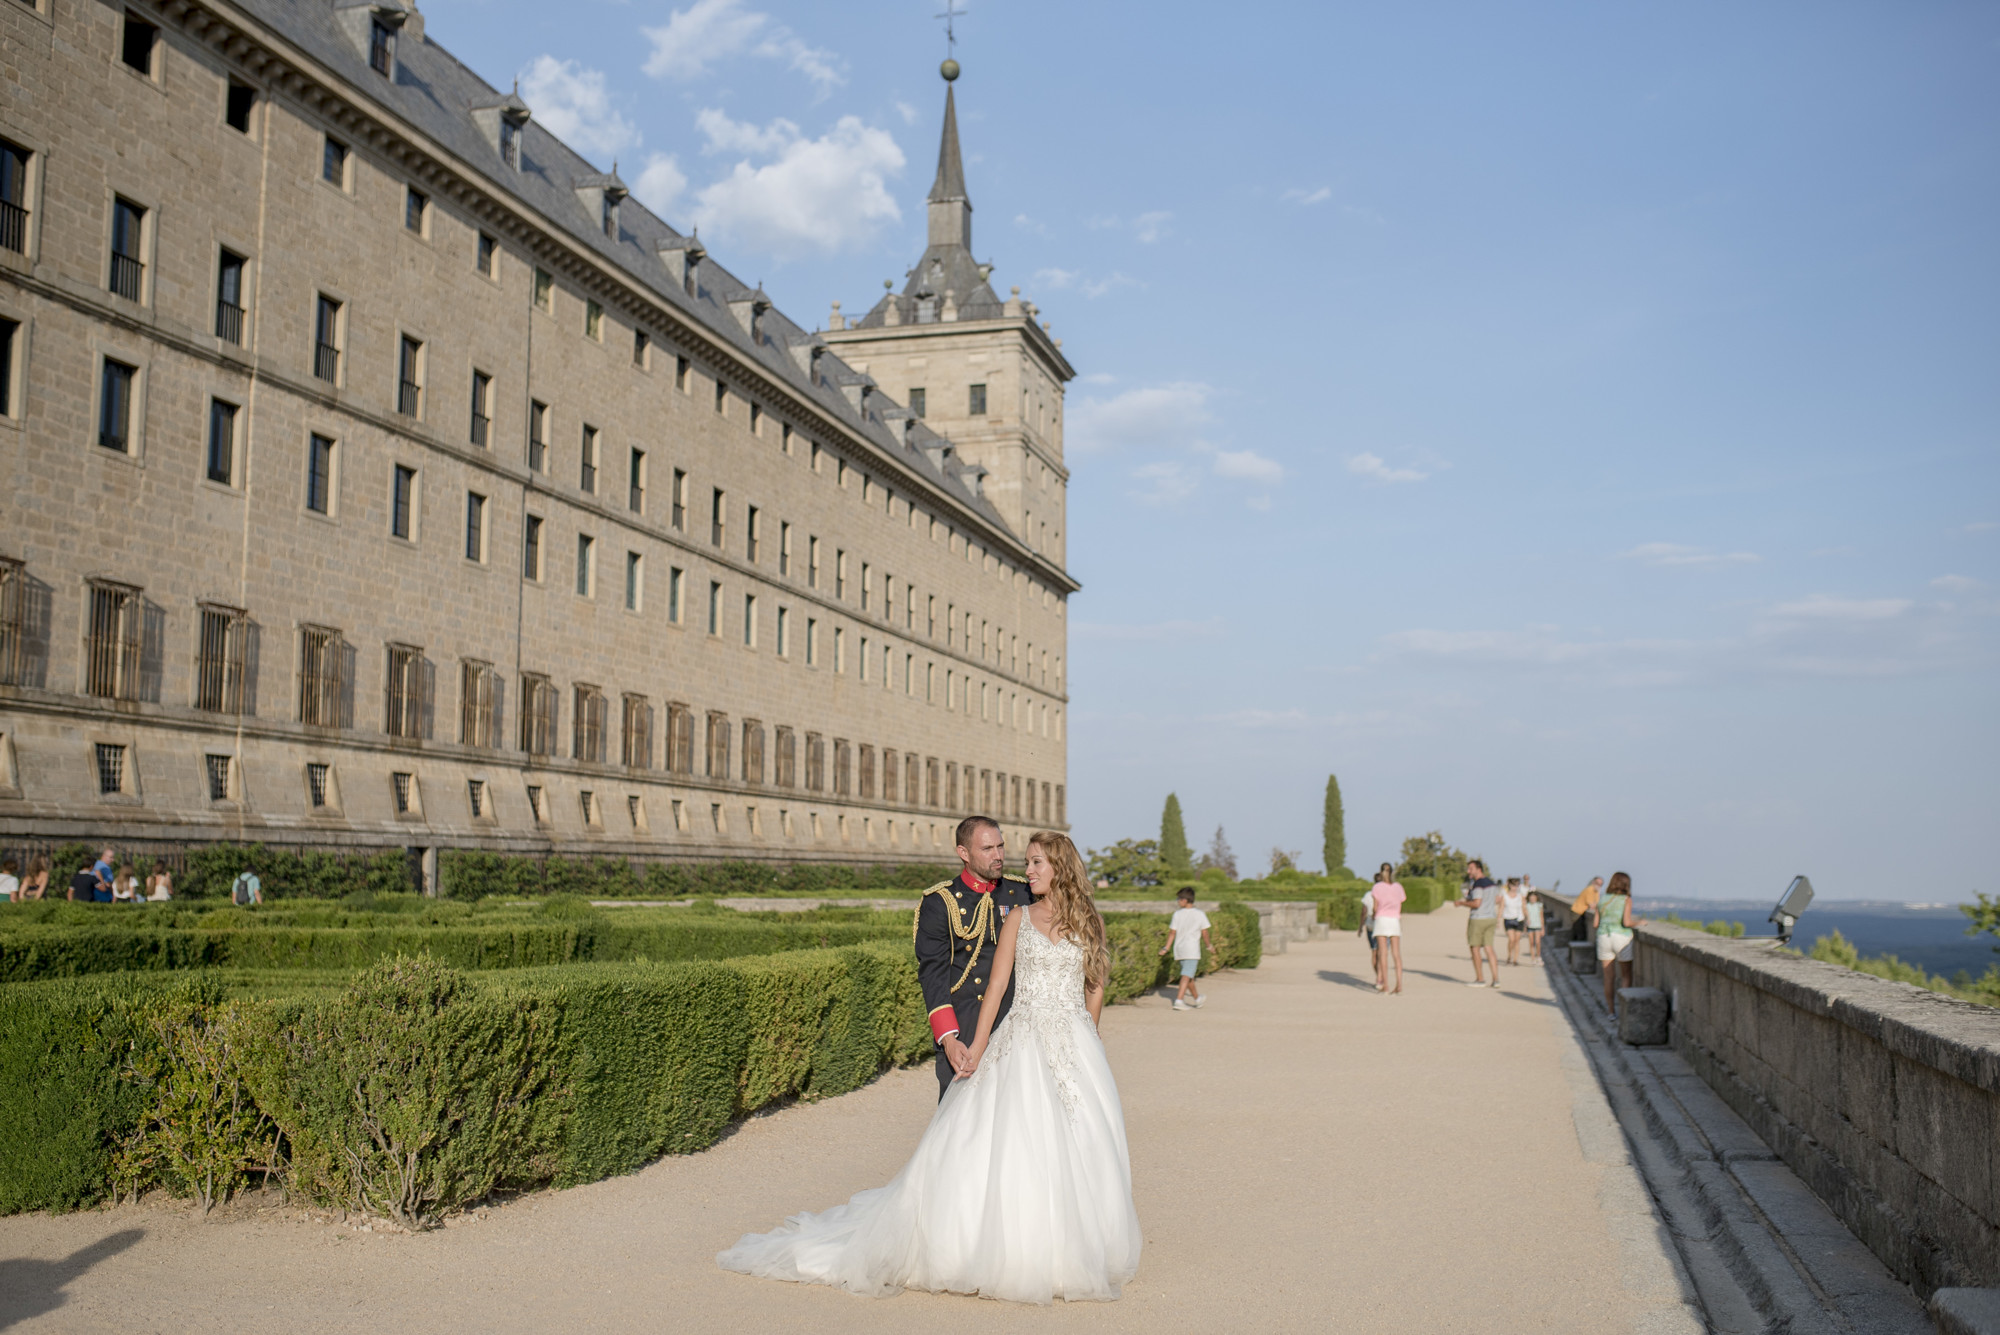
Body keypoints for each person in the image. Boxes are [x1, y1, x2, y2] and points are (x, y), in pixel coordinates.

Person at [719, 830, 1142, 1303]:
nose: (1020, 865)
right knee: (996, 1143)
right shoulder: (988, 909)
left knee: (1080, 1141)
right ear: (965, 852)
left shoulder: (1068, 912)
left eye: (1033, 860)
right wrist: (968, 1043)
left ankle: (1073, 1247)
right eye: (1001, 851)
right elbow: (970, 980)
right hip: (1008, 1032)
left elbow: (1096, 984)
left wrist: (1091, 1034)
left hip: (1073, 1040)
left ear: (1059, 867)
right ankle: (981, 1243)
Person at [911, 816, 1035, 1100]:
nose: (998, 856)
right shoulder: (940, 902)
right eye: (988, 849)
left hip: (1017, 1019)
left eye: (1001, 847)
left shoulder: (1023, 894)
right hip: (965, 1020)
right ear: (963, 853)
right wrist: (949, 1039)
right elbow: (933, 974)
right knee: (959, 1117)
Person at [1594, 871, 1641, 1014]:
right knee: (1626, 976)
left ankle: (1611, 1012)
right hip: (1621, 937)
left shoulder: (1602, 899)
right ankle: (1624, 1011)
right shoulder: (1626, 899)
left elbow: (1595, 923)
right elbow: (1626, 922)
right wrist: (1640, 922)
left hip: (1603, 937)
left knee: (1609, 978)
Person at [1159, 887, 1211, 1010]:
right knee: (1186, 975)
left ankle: (1197, 998)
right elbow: (1205, 933)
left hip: (1179, 949)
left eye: (1179, 899)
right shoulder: (1200, 914)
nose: (1177, 901)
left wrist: (1166, 948)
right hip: (1192, 950)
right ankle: (1179, 1000)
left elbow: (1172, 933)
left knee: (1188, 975)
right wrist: (1209, 945)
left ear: (1185, 900)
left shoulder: (1177, 914)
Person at [1457, 858, 1501, 987]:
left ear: (1478, 869)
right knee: (1489, 948)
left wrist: (1461, 903)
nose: (1468, 871)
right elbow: (1498, 899)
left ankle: (1480, 979)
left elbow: (1476, 903)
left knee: (1475, 948)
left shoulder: (1478, 884)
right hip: (1491, 918)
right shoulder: (1492, 883)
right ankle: (1496, 979)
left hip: (1478, 919)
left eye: (1471, 869)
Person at [1368, 863, 1405, 994]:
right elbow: (1401, 901)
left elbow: (1375, 906)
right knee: (1396, 954)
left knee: (1382, 953)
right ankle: (1399, 984)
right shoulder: (1398, 887)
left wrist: (1374, 915)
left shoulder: (1377, 887)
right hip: (1394, 920)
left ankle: (1386, 985)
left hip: (1382, 920)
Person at [1500, 878, 1527, 966]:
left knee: (1517, 940)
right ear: (1509, 886)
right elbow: (1501, 908)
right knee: (1511, 939)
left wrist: (1527, 919)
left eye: (1516, 885)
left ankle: (1515, 959)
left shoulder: (1521, 896)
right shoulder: (1505, 896)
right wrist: (1497, 920)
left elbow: (1524, 908)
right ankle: (1509, 955)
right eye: (1513, 885)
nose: (1515, 887)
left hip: (1519, 919)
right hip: (1508, 918)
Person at [1524, 890, 1545, 963]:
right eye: (1531, 897)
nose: (1532, 899)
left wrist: (1543, 928)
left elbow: (1541, 916)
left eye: (1534, 897)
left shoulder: (1539, 905)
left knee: (1538, 942)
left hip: (1538, 925)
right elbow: (1525, 916)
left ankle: (1538, 956)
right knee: (1531, 942)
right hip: (1530, 926)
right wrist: (1525, 926)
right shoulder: (1527, 905)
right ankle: (1533, 958)